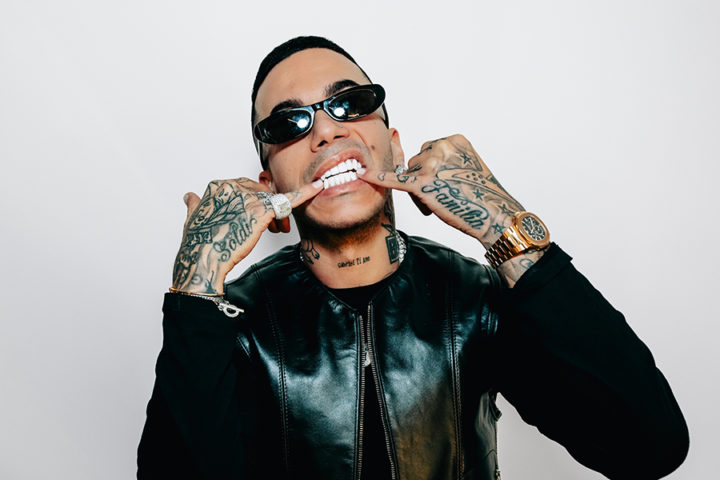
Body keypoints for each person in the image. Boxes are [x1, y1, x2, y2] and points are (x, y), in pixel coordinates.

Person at [137, 36, 689, 479]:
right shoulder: (231, 326)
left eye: (350, 103)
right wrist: (197, 284)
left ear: (394, 148)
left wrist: (504, 224)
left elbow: (648, 447)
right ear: (270, 191)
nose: (326, 130)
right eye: (288, 124)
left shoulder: (475, 301)